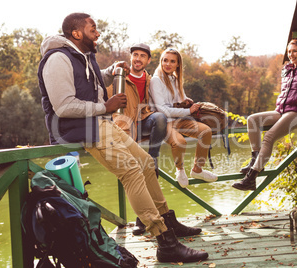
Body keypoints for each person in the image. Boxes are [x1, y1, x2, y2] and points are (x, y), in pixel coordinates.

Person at [37, 12, 208, 263]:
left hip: (100, 124)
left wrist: (111, 71)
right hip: (81, 130)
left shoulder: (83, 56)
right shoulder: (57, 59)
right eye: (92, 28)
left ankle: (168, 222)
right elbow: (64, 106)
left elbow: (90, 85)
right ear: (76, 33)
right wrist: (105, 107)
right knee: (131, 172)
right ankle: (164, 240)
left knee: (147, 164)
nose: (98, 32)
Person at [232, 38, 297, 191]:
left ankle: (251, 177)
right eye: (289, 51)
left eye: (295, 51)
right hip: (281, 110)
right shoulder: (287, 69)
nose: (291, 54)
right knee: (252, 120)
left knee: (269, 137)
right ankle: (255, 160)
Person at [111, 43, 168, 236]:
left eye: (142, 56)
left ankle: (154, 159)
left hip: (143, 120)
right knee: (135, 174)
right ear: (131, 57)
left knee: (160, 119)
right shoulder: (119, 76)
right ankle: (141, 221)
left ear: (148, 60)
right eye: (135, 55)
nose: (138, 59)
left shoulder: (151, 80)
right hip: (125, 126)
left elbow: (160, 105)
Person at [149, 48, 218, 188]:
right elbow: (162, 109)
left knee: (206, 131)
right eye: (165, 60)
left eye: (172, 61)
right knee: (180, 142)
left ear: (178, 64)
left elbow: (179, 98)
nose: (167, 64)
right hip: (163, 121)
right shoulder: (156, 80)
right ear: (161, 61)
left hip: (178, 119)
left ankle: (197, 170)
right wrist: (188, 111)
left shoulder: (174, 79)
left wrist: (187, 101)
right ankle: (180, 170)